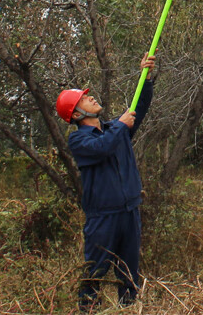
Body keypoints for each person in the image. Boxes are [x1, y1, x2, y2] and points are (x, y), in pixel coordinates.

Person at [55, 52, 156, 311]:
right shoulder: (79, 140)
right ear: (76, 113)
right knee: (94, 276)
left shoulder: (114, 129)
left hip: (129, 212)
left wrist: (145, 77)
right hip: (103, 218)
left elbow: (138, 109)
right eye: (83, 99)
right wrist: (122, 125)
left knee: (129, 276)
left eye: (87, 94)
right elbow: (102, 148)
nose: (90, 97)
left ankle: (129, 309)